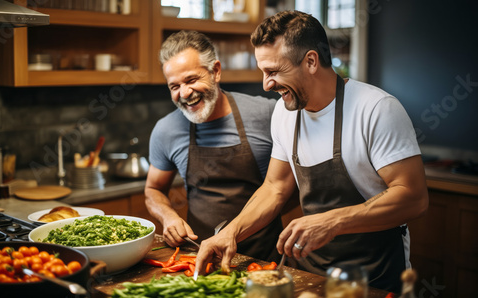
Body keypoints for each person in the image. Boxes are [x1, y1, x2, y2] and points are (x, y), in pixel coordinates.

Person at [195, 11, 428, 293]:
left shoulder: (377, 109)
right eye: (263, 72)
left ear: (310, 61)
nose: (266, 84)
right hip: (310, 276)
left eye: (273, 71)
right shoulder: (285, 111)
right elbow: (275, 188)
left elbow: (414, 198)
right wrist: (232, 232)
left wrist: (334, 221)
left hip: (374, 276)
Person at [144, 30, 282, 262]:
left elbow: (287, 185)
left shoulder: (267, 114)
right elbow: (153, 189)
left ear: (215, 71)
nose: (185, 93)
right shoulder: (166, 130)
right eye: (174, 86)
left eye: (191, 80)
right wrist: (168, 216)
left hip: (263, 260)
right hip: (200, 257)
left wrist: (261, 218)